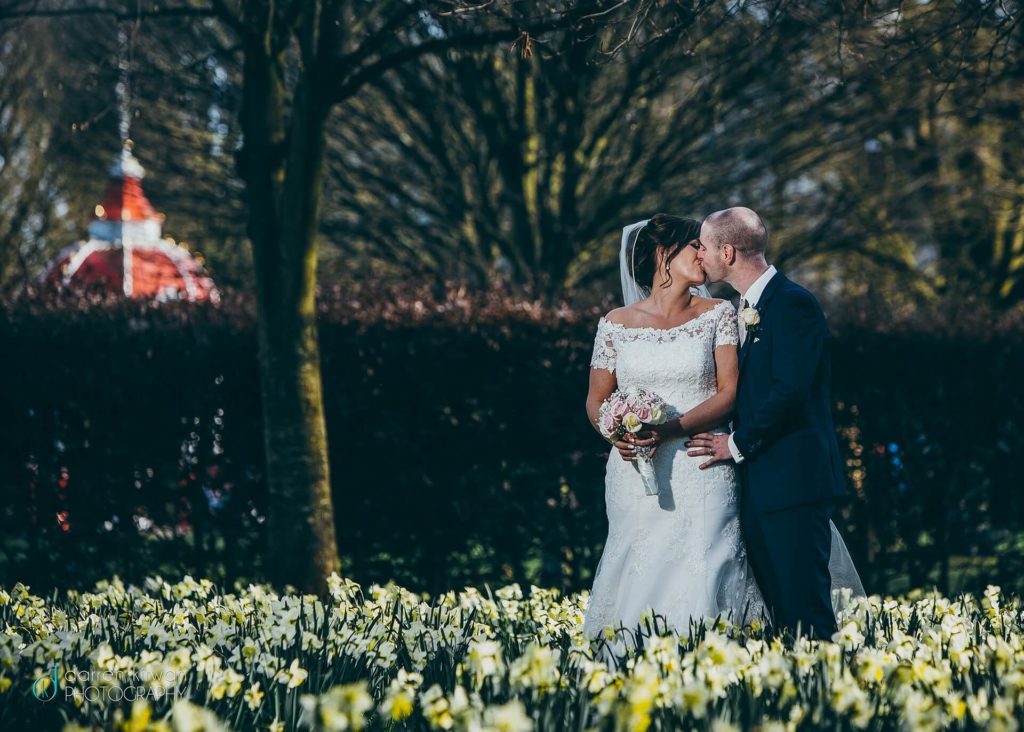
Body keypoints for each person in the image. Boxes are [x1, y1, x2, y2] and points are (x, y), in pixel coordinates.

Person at [582, 214, 765, 649]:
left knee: (706, 567)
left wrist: (669, 429)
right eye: (694, 247)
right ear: (665, 255)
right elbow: (595, 400)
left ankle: (712, 670)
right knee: (636, 569)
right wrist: (614, 433)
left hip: (701, 464)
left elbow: (729, 393)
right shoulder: (615, 323)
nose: (704, 255)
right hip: (634, 473)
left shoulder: (719, 314)